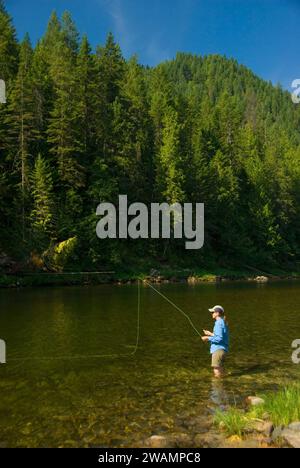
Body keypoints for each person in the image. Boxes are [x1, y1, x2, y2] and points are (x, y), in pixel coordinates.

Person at [201, 305, 229, 378]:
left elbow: (219, 338)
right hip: (222, 349)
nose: (212, 314)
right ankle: (222, 384)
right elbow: (220, 336)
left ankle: (218, 386)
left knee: (216, 369)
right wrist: (210, 333)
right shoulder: (222, 322)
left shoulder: (218, 323)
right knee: (219, 368)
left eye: (213, 312)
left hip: (218, 349)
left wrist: (207, 338)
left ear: (217, 313)